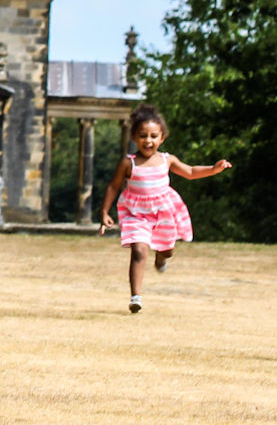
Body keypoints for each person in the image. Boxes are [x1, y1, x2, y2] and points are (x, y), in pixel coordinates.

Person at [98, 104, 231, 313]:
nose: (148, 140)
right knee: (139, 251)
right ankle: (136, 297)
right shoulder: (128, 163)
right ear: (134, 137)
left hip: (163, 212)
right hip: (136, 214)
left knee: (167, 250)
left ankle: (161, 258)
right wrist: (104, 212)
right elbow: (113, 186)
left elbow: (190, 172)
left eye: (153, 136)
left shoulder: (167, 160)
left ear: (162, 138)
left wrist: (214, 169)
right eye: (142, 135)